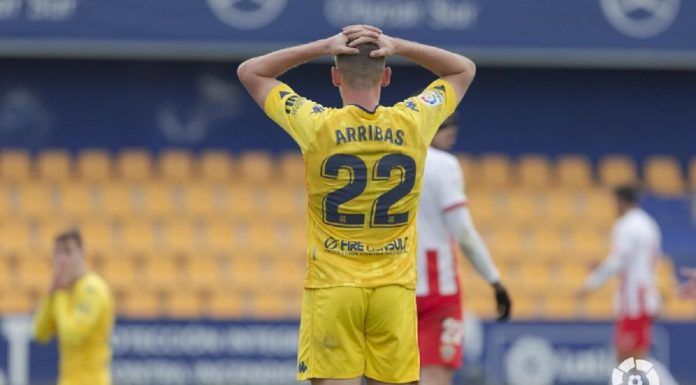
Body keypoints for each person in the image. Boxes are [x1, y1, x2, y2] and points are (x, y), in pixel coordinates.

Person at [238, 25, 476, 385]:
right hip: (394, 291)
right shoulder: (414, 120)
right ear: (388, 75)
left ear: (335, 76)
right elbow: (463, 69)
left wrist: (321, 45)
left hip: (334, 288)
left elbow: (251, 71)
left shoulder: (315, 123)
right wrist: (398, 45)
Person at [416, 115, 511, 385]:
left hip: (390, 283)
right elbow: (464, 234)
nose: (452, 135)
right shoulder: (443, 165)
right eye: (446, 127)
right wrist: (495, 280)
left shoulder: (389, 157)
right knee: (435, 374)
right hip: (436, 288)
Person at [577, 186, 680, 385]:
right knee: (629, 358)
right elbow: (640, 261)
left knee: (631, 359)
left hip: (634, 301)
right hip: (644, 296)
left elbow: (619, 261)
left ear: (621, 201)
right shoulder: (649, 224)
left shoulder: (625, 226)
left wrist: (591, 283)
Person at [33, 230, 114, 385]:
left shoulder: (92, 288)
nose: (62, 260)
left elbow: (72, 335)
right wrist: (50, 295)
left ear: (81, 255)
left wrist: (61, 296)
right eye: (57, 253)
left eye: (68, 252)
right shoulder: (62, 291)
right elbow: (40, 333)